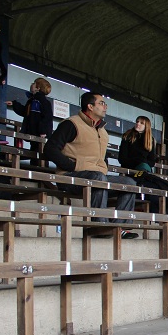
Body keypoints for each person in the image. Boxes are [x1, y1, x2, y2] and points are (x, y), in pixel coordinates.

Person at [44, 91, 137, 236]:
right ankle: (100, 227)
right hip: (70, 177)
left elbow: (102, 157)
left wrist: (103, 167)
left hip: (97, 176)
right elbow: (50, 149)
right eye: (101, 103)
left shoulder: (103, 131)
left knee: (130, 183)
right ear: (90, 106)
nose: (105, 106)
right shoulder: (71, 124)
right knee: (98, 178)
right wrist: (72, 166)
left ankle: (121, 228)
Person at [7, 77, 53, 150]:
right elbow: (25, 112)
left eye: (34, 83)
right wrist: (14, 104)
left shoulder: (43, 102)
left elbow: (47, 117)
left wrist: (43, 131)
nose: (31, 84)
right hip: (33, 133)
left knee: (40, 152)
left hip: (40, 134)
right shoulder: (32, 101)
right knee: (34, 151)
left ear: (38, 88)